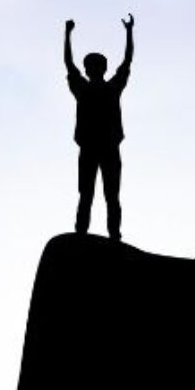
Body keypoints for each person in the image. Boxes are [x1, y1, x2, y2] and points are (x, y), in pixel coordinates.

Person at [63, 14, 134, 240]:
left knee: (104, 195)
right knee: (92, 194)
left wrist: (67, 34)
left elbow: (127, 62)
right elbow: (69, 64)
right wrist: (67, 35)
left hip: (105, 147)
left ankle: (111, 235)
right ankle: (89, 234)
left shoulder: (104, 88)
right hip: (95, 147)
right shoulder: (91, 89)